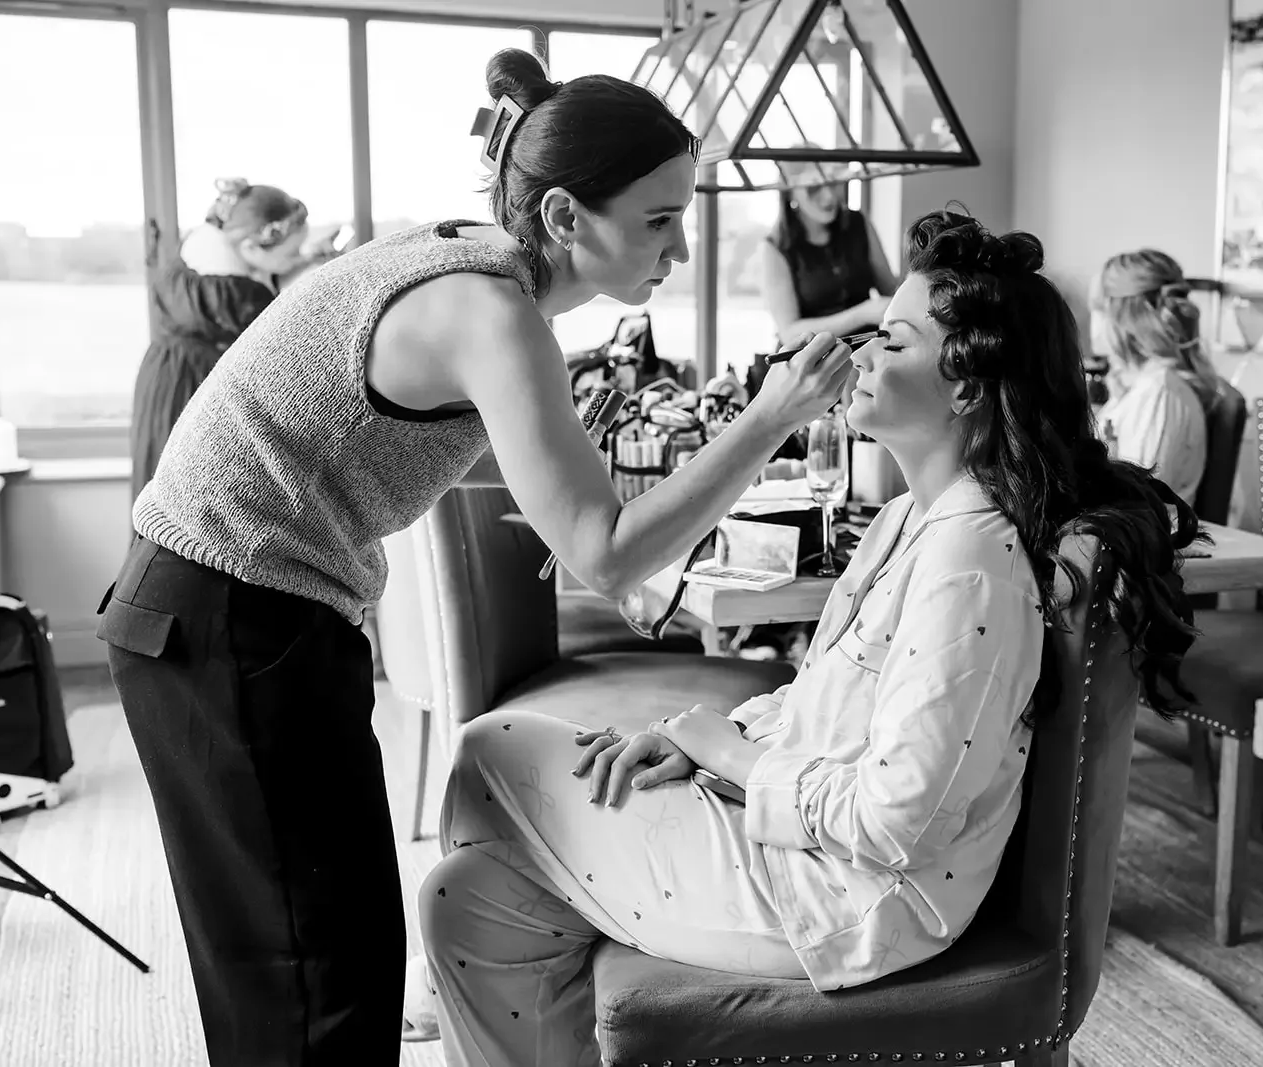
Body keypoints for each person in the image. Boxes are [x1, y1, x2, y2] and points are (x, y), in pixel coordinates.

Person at [95, 47, 853, 1067]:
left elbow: (548, 500)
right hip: (229, 614)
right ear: (563, 216)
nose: (679, 249)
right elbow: (603, 553)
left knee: (320, 961)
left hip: (220, 605)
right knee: (312, 979)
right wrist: (768, 418)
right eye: (659, 220)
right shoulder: (495, 315)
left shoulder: (467, 259)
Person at [413, 208, 1199, 1066]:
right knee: (467, 897)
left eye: (893, 341)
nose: (860, 355)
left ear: (968, 387)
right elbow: (820, 695)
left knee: (489, 748)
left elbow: (899, 822)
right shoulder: (905, 519)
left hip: (847, 899)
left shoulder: (971, 561)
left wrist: (733, 757)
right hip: (799, 847)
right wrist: (707, 739)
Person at [129, 178, 335, 501]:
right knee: (193, 494)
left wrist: (301, 259)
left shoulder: (203, 249)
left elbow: (268, 264)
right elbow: (273, 336)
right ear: (252, 246)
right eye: (292, 251)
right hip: (194, 385)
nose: (296, 257)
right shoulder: (235, 292)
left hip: (165, 371)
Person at [1091, 249, 1223, 506]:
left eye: (1096, 308)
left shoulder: (1160, 394)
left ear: (1121, 316)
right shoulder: (1139, 389)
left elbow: (1137, 504)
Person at [758, 159, 900, 349]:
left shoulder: (858, 223)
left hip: (867, 353)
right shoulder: (775, 246)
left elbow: (890, 289)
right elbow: (789, 332)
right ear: (790, 192)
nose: (829, 196)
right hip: (814, 359)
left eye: (833, 183)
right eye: (814, 187)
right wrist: (862, 314)